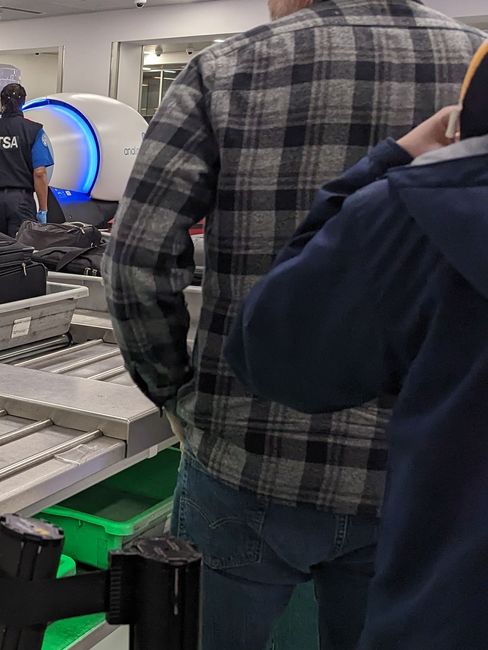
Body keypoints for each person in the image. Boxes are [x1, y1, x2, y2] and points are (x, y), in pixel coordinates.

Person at [102, 0, 485, 646]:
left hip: (245, 457)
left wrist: (173, 390)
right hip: (417, 479)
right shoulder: (473, 68)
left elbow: (137, 257)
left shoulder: (225, 70)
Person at [226, 44, 488, 648]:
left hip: (444, 606)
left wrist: (386, 164)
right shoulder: (452, 40)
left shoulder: (412, 213)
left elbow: (273, 350)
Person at [0, 84, 53, 236]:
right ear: (23, 102)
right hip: (21, 201)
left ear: (1, 102)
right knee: (20, 250)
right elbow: (40, 173)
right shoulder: (34, 130)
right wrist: (43, 210)